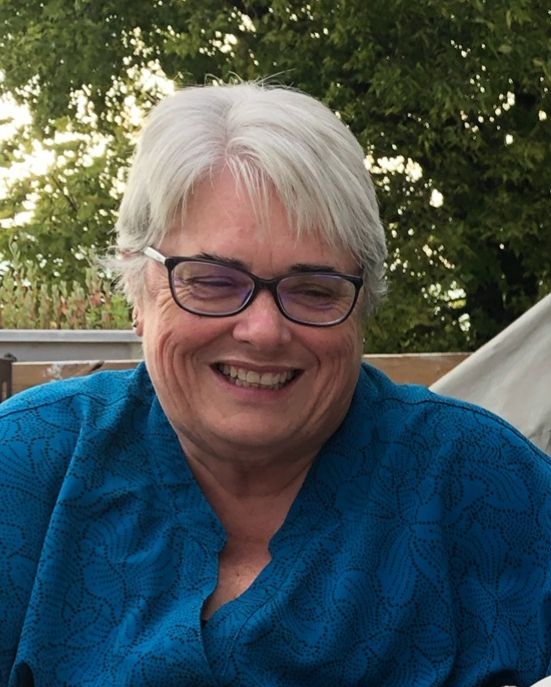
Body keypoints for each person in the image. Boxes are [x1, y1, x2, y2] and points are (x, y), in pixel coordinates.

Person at [1, 82, 550, 687]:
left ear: (362, 308)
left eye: (315, 290)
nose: (263, 332)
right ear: (137, 291)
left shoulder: (486, 486)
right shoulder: (25, 469)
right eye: (212, 281)